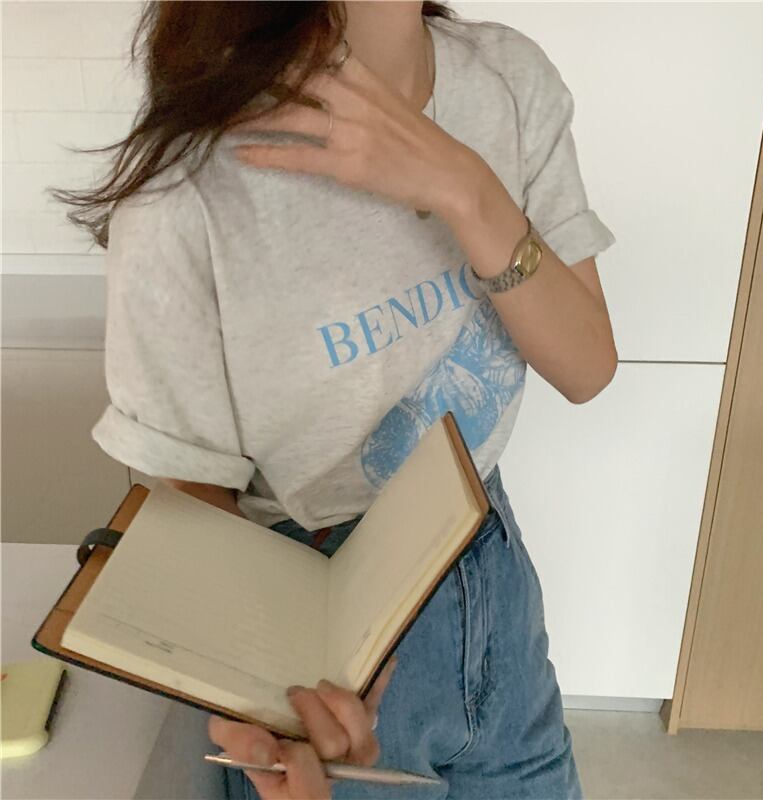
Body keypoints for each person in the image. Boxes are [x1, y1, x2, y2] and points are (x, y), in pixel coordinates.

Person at [53, 1, 618, 797]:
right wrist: (247, 697)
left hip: (490, 567)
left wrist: (467, 190)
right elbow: (190, 499)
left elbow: (588, 366)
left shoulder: (508, 79)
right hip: (317, 635)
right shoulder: (191, 181)